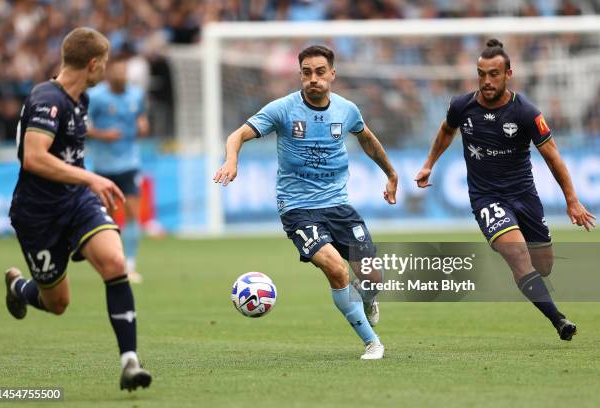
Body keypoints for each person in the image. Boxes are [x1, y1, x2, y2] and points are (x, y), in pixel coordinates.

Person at [214, 45, 398, 360]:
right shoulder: (282, 109)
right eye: (307, 72)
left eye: (320, 72)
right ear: (300, 75)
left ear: (332, 74)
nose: (313, 79)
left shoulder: (347, 110)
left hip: (338, 206)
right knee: (336, 269)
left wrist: (391, 173)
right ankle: (372, 342)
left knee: (371, 276)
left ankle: (368, 299)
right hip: (297, 209)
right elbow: (237, 135)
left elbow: (366, 138)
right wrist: (232, 161)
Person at [415, 39, 596, 340]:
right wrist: (429, 163)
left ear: (508, 74)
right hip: (487, 198)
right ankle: (559, 320)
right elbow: (446, 131)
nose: (486, 81)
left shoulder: (525, 112)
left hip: (524, 195)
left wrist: (572, 200)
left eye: (494, 74)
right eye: (481, 73)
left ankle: (521, 267)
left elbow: (552, 156)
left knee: (543, 267)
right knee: (517, 255)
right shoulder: (462, 106)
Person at [5, 27, 151, 390]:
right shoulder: (46, 100)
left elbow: (68, 156)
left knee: (115, 263)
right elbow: (34, 159)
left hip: (76, 202)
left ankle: (130, 361)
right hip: (37, 213)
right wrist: (92, 179)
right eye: (103, 64)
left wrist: (85, 184)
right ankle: (19, 288)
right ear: (93, 64)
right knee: (57, 303)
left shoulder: (80, 100)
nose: (105, 71)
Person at [87, 54, 149, 284]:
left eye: (124, 71)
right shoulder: (96, 97)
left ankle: (129, 263)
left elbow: (142, 120)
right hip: (104, 166)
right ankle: (112, 262)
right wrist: (104, 135)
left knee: (133, 213)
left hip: (129, 164)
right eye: (117, 71)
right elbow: (83, 128)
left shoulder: (136, 95)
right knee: (108, 218)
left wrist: (143, 126)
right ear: (108, 73)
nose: (121, 75)